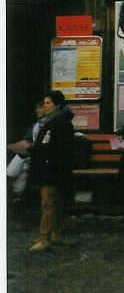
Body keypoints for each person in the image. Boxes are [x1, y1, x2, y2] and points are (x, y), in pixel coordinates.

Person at [28, 91, 75, 252]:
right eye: (44, 103)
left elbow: (58, 149)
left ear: (57, 105)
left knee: (48, 204)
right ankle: (56, 234)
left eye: (48, 103)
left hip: (53, 171)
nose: (45, 106)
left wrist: (38, 150)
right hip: (51, 169)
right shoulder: (53, 121)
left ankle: (44, 238)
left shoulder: (59, 124)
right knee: (55, 203)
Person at [7, 99, 47, 205]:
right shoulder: (36, 125)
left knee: (22, 161)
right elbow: (27, 140)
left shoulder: (49, 124)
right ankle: (17, 194)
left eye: (39, 107)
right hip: (33, 155)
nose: (37, 110)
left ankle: (12, 185)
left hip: (45, 157)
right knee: (23, 162)